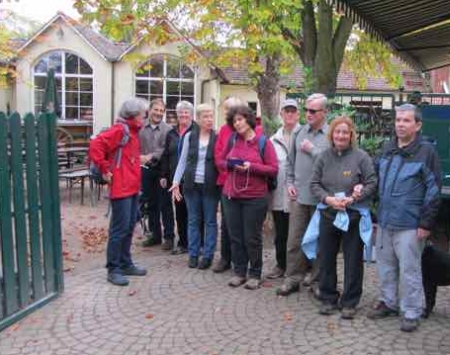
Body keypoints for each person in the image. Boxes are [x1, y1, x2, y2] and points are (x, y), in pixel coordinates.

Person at [367, 103, 441, 332]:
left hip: (410, 223)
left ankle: (411, 310)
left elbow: (434, 190)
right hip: (386, 220)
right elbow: (375, 181)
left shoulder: (426, 152)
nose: (400, 124)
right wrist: (373, 215)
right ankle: (389, 302)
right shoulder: (387, 148)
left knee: (410, 269)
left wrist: (425, 223)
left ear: (417, 125)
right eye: (398, 120)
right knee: (385, 266)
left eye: (406, 120)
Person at [309, 116, 377, 319]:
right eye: (337, 131)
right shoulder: (323, 157)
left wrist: (357, 195)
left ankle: (350, 301)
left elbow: (372, 182)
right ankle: (328, 298)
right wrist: (328, 199)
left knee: (353, 259)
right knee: (326, 258)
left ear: (351, 135)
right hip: (329, 214)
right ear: (332, 134)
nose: (341, 135)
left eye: (345, 132)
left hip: (353, 215)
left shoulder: (361, 157)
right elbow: (314, 184)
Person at [89, 98, 149, 286]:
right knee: (119, 228)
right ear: (133, 115)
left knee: (130, 225)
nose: (144, 117)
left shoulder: (131, 131)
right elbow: (96, 146)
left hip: (131, 187)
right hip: (121, 187)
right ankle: (113, 268)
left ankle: (125, 262)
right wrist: (105, 168)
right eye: (142, 114)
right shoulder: (120, 130)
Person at [218, 105, 278, 290]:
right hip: (231, 195)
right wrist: (231, 165)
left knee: (252, 237)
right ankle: (240, 272)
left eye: (240, 119)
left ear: (248, 120)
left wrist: (251, 166)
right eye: (234, 121)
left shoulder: (262, 142)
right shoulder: (232, 140)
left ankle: (255, 273)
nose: (237, 124)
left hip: (255, 197)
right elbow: (220, 161)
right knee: (236, 236)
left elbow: (273, 169)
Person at [277, 93, 330, 296]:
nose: (308, 114)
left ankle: (317, 282)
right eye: (307, 110)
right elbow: (290, 162)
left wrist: (313, 150)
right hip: (299, 197)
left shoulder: (330, 134)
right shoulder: (300, 132)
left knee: (319, 242)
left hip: (321, 198)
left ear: (324, 112)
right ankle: (292, 278)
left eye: (313, 111)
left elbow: (333, 162)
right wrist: (290, 182)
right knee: (295, 241)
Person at [170, 104, 219, 269]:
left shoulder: (217, 137)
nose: (209, 119)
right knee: (193, 221)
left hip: (211, 186)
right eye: (205, 116)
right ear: (198, 119)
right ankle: (193, 254)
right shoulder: (190, 136)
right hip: (191, 186)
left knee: (210, 221)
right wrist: (176, 182)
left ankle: (208, 255)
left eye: (211, 116)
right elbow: (182, 161)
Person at [266, 99, 301, 279]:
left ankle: (298, 268)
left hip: (298, 195)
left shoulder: (304, 135)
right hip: (279, 194)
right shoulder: (273, 140)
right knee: (280, 233)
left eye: (292, 111)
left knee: (297, 234)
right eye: (286, 111)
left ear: (298, 114)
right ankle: (281, 265)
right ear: (281, 114)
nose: (289, 114)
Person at [212, 97, 245, 273]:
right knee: (227, 224)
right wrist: (230, 172)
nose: (228, 114)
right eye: (226, 110)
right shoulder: (223, 130)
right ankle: (226, 257)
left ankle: (242, 260)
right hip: (226, 184)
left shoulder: (251, 130)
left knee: (243, 225)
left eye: (231, 110)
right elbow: (219, 157)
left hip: (246, 185)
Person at [160, 101, 195, 255]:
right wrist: (163, 175)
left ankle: (196, 243)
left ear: (191, 114)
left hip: (194, 180)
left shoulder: (198, 131)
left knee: (194, 213)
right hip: (176, 181)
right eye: (181, 112)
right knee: (180, 213)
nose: (183, 115)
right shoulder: (171, 133)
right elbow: (166, 155)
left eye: (186, 112)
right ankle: (183, 243)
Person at [139, 98, 175, 250]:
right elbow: (134, 144)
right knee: (150, 204)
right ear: (150, 110)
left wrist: (150, 156)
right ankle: (155, 235)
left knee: (165, 205)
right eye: (156, 110)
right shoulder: (140, 127)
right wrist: (139, 156)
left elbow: (164, 149)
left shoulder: (168, 130)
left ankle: (169, 237)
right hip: (145, 170)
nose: (158, 113)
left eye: (161, 111)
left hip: (162, 171)